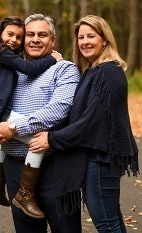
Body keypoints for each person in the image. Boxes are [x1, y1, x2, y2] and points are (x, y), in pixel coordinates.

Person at [28, 15, 139, 233]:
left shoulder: (108, 71)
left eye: (91, 36)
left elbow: (90, 122)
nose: (85, 41)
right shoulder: (93, 71)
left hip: (102, 158)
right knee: (111, 219)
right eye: (81, 37)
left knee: (107, 223)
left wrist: (51, 139)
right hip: (98, 156)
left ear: (105, 40)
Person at [0, 13, 82, 233]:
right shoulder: (9, 68)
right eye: (30, 34)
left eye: (42, 35)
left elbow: (58, 110)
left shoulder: (64, 69)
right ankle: (2, 189)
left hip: (56, 168)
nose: (35, 39)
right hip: (15, 168)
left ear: (52, 41)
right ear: (23, 40)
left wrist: (13, 128)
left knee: (66, 228)